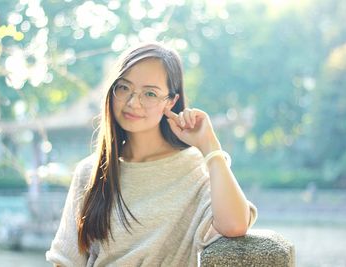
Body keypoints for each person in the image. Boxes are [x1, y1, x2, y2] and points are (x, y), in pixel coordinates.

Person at [46, 42, 257, 267]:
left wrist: (210, 147)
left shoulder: (195, 168)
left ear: (171, 101)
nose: (132, 103)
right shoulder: (91, 170)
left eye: (149, 93)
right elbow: (66, 261)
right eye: (124, 88)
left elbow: (235, 225)